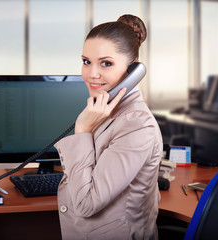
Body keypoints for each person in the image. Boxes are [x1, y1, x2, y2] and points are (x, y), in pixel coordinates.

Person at [54, 14, 163, 240]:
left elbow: (85, 203)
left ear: (133, 71)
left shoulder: (137, 125)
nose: (92, 74)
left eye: (106, 63)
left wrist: (82, 130)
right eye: (86, 61)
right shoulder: (105, 110)